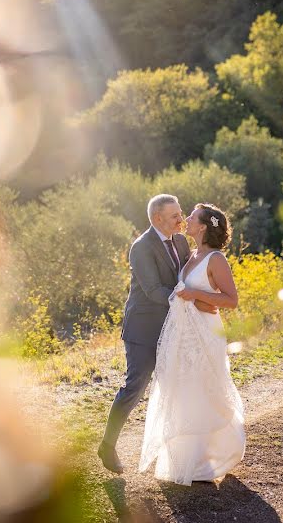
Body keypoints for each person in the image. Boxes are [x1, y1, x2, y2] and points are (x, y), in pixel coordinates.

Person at [98, 194, 216, 474]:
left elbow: (187, 277)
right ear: (157, 219)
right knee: (135, 387)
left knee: (177, 387)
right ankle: (107, 444)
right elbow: (153, 291)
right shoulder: (141, 248)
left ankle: (181, 455)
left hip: (173, 326)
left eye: (180, 213)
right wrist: (193, 301)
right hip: (143, 328)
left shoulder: (180, 241)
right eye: (175, 215)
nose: (181, 218)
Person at [138, 203, 245, 485]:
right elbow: (189, 296)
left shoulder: (216, 259)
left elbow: (231, 300)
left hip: (206, 333)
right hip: (185, 334)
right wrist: (195, 298)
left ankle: (209, 459)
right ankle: (186, 459)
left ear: (203, 227)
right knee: (186, 389)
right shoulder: (192, 254)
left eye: (192, 217)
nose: (186, 219)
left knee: (205, 388)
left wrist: (196, 294)